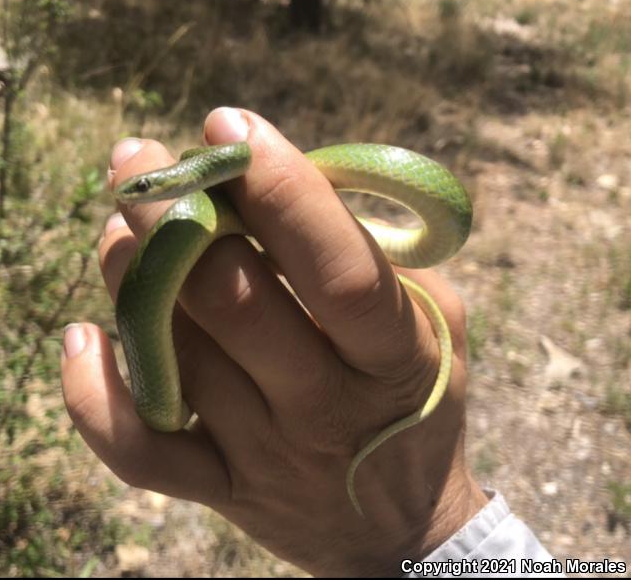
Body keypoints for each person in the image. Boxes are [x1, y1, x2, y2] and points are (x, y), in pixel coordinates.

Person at [60, 108, 560, 577]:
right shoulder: (200, 184)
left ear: (176, 181)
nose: (140, 190)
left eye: (148, 186)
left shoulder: (214, 172)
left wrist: (427, 534)